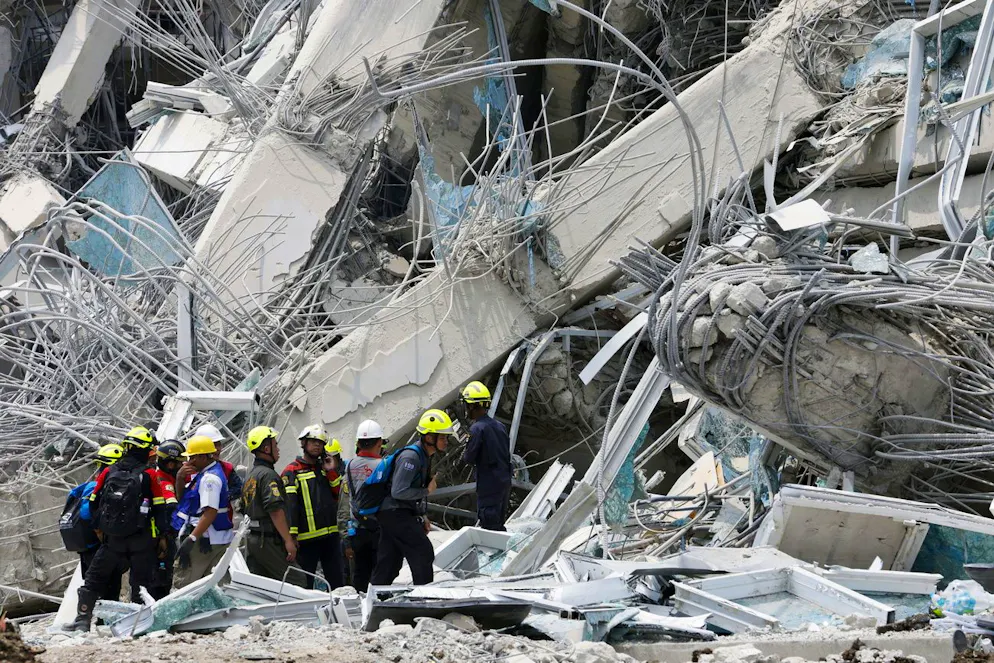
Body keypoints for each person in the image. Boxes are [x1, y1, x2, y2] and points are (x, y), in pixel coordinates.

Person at [68, 427, 171, 631]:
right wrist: (162, 537)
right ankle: (137, 626)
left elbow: (93, 503)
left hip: (112, 540)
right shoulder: (149, 475)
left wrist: (100, 529)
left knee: (94, 579)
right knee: (140, 584)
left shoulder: (109, 471)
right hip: (141, 540)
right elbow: (160, 509)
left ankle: (82, 621)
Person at [370, 409, 450, 586]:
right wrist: (426, 491)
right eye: (442, 437)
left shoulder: (423, 456)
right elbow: (398, 491)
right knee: (423, 551)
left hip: (393, 513)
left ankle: (376, 597)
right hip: (394, 513)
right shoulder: (411, 457)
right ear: (429, 437)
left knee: (389, 561)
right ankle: (423, 596)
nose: (446, 441)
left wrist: (422, 514)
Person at [282, 424, 344, 590]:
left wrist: (331, 470)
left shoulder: (325, 469)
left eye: (320, 442)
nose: (317, 445)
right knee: (305, 584)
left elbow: (339, 494)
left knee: (337, 581)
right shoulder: (292, 471)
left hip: (330, 536)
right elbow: (290, 506)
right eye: (313, 441)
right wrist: (292, 536)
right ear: (303, 443)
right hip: (306, 540)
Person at [62, 444, 124, 601]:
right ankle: (104, 621)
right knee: (109, 586)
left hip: (87, 546)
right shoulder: (99, 486)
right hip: (97, 545)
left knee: (98, 586)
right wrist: (100, 531)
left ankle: (99, 619)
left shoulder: (88, 485)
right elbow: (85, 512)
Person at [171, 435, 234, 589]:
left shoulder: (209, 479)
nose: (189, 461)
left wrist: (192, 538)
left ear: (202, 456)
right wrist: (180, 478)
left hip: (204, 541)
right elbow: (184, 500)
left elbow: (210, 512)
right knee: (213, 588)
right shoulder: (205, 474)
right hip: (212, 538)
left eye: (192, 457)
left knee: (184, 586)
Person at [241, 426, 298, 580]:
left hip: (254, 539)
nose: (278, 449)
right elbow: (275, 510)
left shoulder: (251, 475)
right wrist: (288, 541)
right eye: (275, 444)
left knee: (262, 583)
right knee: (296, 580)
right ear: (267, 449)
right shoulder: (269, 475)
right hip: (267, 540)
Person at [460, 381, 513, 531]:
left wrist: (467, 444)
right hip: (503, 481)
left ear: (471, 406)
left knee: (490, 526)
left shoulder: (477, 429)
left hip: (488, 485)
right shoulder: (499, 426)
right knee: (498, 522)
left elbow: (468, 458)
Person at [343, 420, 386, 591]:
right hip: (377, 527)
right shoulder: (382, 465)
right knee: (380, 571)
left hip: (357, 529)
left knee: (360, 572)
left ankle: (359, 604)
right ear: (379, 442)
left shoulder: (350, 465)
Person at [177, 424, 243, 509]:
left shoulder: (227, 468)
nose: (218, 449)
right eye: (214, 445)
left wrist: (218, 497)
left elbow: (238, 488)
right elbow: (181, 499)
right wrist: (179, 478)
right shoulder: (185, 471)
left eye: (219, 445)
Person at [147, 440, 182, 599]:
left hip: (153, 534)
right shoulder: (164, 481)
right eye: (180, 463)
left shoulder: (155, 476)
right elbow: (171, 506)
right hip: (162, 536)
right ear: (170, 464)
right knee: (161, 576)